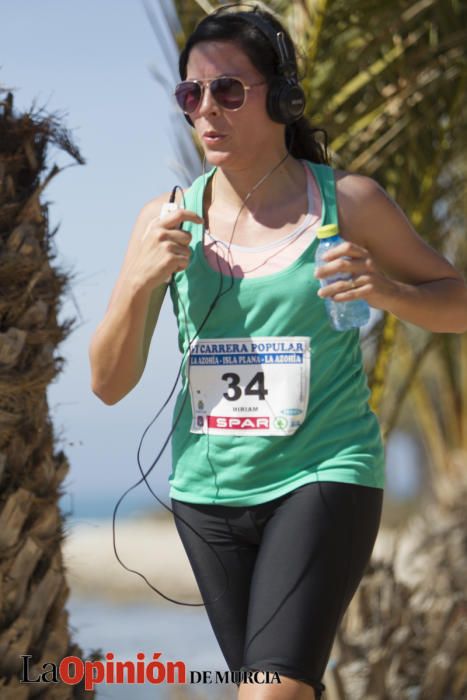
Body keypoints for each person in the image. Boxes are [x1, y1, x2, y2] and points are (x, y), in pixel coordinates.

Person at [89, 3, 467, 699]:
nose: (206, 109)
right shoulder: (166, 217)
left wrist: (386, 290)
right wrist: (139, 280)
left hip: (324, 473)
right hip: (207, 495)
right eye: (191, 93)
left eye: (228, 90)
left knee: (269, 693)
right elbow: (108, 385)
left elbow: (456, 301)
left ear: (283, 99)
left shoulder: (347, 203)